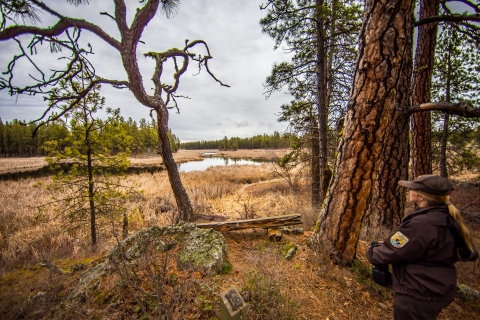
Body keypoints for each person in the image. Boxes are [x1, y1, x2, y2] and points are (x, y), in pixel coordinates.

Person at [366, 174, 478, 320]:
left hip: (418, 291)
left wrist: (371, 251)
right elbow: (425, 249)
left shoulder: (422, 223)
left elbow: (390, 252)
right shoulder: (446, 217)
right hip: (436, 288)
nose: (409, 190)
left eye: (412, 188)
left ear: (422, 196)